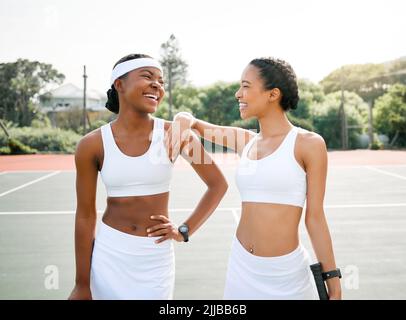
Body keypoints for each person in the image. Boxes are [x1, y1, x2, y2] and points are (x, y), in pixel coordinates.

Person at [171, 57, 342, 299]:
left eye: (246, 86)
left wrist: (333, 279)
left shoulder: (308, 144)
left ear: (273, 94)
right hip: (241, 268)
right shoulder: (246, 141)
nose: (238, 94)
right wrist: (181, 117)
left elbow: (315, 218)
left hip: (286, 275)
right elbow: (195, 125)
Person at [68, 54, 228, 300]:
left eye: (161, 81)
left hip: (155, 258)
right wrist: (81, 283)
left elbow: (218, 185)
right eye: (147, 76)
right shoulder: (91, 145)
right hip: (110, 254)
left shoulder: (175, 134)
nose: (157, 85)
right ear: (119, 85)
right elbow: (86, 214)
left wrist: (184, 230)